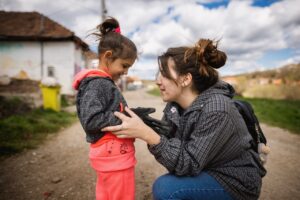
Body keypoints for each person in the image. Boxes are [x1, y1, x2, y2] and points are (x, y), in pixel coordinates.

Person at [102, 39, 267, 200]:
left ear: (186, 79)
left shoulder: (217, 109)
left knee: (167, 189)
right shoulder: (175, 106)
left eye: (164, 74)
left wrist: (148, 134)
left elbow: (188, 164)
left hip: (233, 180)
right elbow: (171, 145)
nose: (157, 81)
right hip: (208, 167)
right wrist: (145, 124)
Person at [72, 17, 137, 200]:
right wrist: (125, 118)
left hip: (110, 157)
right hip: (114, 158)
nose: (125, 72)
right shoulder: (98, 84)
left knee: (107, 194)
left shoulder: (101, 83)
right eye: (124, 66)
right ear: (108, 56)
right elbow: (91, 120)